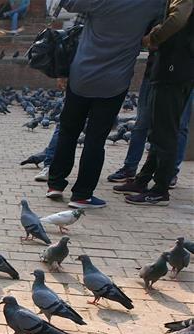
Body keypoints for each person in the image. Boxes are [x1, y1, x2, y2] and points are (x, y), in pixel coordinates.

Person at [46, 0, 164, 209]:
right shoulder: (153, 5)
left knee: (68, 131)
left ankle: (55, 184)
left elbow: (67, 3)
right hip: (114, 82)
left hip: (81, 75)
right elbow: (167, 23)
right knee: (95, 138)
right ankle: (81, 195)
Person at [115, 0, 193, 205]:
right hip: (176, 69)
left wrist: (154, 37)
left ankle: (160, 189)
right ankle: (143, 180)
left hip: (174, 69)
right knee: (159, 130)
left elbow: (178, 18)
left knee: (165, 132)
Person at [107, 78, 190, 188]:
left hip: (186, 78)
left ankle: (169, 174)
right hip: (155, 74)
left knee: (180, 126)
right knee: (141, 123)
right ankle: (131, 169)